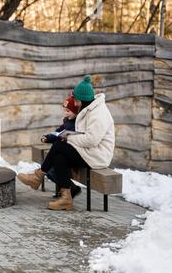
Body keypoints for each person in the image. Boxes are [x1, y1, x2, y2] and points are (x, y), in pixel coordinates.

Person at [18, 75, 115, 211]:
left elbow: (91, 140)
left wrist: (68, 138)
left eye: (76, 101)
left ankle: (38, 176)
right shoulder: (88, 109)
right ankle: (65, 199)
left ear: (83, 100)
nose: (74, 104)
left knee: (59, 146)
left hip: (97, 156)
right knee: (59, 157)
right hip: (87, 151)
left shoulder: (98, 114)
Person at [41, 93, 81, 199]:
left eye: (68, 111)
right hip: (63, 151)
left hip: (71, 153)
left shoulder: (77, 123)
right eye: (64, 110)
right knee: (51, 169)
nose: (65, 113)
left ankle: (69, 189)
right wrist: (49, 137)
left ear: (76, 111)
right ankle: (71, 188)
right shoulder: (67, 121)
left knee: (52, 167)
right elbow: (58, 132)